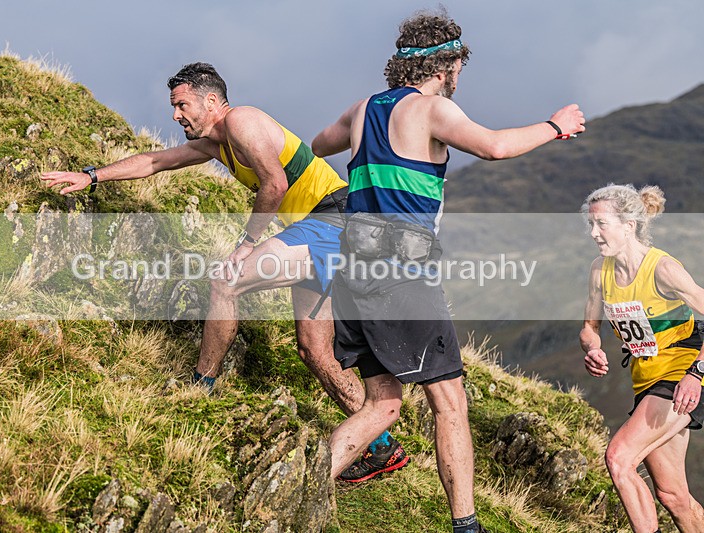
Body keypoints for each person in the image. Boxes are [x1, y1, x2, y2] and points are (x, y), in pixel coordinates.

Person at [41, 62, 409, 481]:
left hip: (334, 220)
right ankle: (381, 447)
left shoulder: (242, 122)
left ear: (212, 101)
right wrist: (90, 177)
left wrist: (247, 243)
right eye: (174, 107)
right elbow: (155, 161)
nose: (175, 115)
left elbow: (274, 184)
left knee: (226, 280)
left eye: (182, 105)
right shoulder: (216, 145)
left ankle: (200, 388)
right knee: (313, 350)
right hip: (319, 229)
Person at [311, 9, 585, 533]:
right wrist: (556, 126)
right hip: (402, 276)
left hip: (353, 273)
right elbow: (495, 147)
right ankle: (466, 525)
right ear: (447, 66)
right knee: (450, 402)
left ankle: (296, 486)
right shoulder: (432, 108)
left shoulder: (363, 108)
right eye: (459, 66)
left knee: (382, 405)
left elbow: (318, 145)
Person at [580, 184, 704, 533]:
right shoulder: (600, 271)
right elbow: (589, 327)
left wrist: (696, 374)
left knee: (619, 458)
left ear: (628, 225)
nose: (594, 233)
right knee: (673, 496)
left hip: (683, 376)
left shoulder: (662, 268)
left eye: (602, 224)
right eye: (591, 224)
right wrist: (592, 348)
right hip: (647, 381)